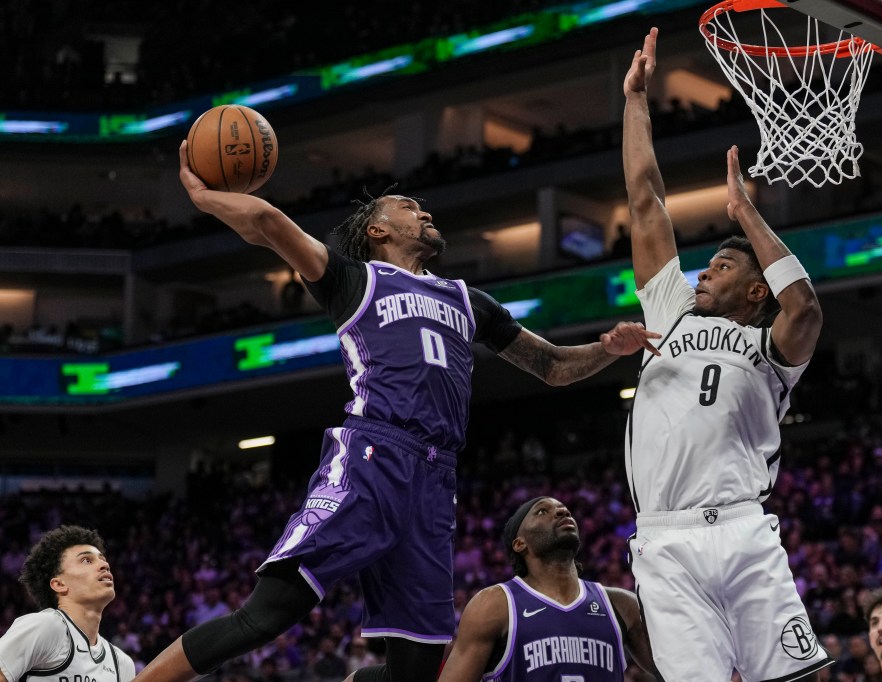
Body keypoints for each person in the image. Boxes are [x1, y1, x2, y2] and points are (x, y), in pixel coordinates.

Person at [134, 144, 660, 682]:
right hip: (371, 457)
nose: (424, 213)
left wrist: (608, 351)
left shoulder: (467, 301)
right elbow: (267, 222)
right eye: (408, 207)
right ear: (377, 232)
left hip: (435, 481)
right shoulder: (352, 280)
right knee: (266, 616)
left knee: (416, 666)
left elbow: (549, 365)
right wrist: (206, 196)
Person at [621, 28, 829, 680]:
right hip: (663, 537)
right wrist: (634, 101)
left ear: (753, 289)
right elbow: (646, 199)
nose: (701, 275)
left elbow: (808, 310)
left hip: (743, 529)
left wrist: (746, 216)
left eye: (719, 267)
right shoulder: (668, 314)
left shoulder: (770, 349)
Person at [438, 497, 655, 681]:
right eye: (543, 511)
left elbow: (677, 671)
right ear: (519, 543)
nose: (561, 511)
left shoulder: (622, 605)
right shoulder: (495, 605)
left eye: (565, 510)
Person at [0, 525, 135, 682]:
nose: (105, 565)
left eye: (102, 559)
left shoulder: (122, 664)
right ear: (59, 584)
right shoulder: (46, 626)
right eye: (87, 560)